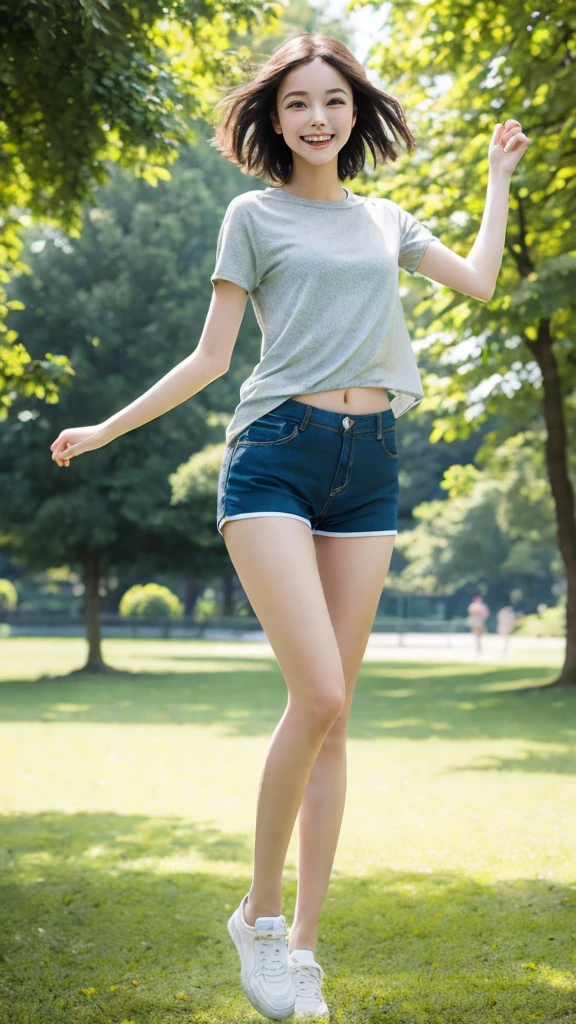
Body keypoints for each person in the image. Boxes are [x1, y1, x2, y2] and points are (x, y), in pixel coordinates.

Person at [49, 32, 531, 1023]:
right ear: (274, 120)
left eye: (335, 102)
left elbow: (481, 281)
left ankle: (304, 949)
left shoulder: (385, 219)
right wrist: (104, 426)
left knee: (338, 712)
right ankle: (258, 919)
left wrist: (495, 175)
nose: (319, 117)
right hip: (276, 450)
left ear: (357, 115)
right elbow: (210, 357)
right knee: (315, 690)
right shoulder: (250, 216)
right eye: (300, 103)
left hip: (372, 464)